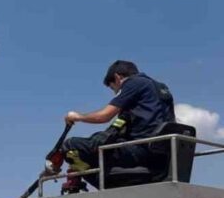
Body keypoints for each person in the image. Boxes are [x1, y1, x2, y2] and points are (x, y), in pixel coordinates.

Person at [61, 60, 175, 190]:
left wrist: (78, 117)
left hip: (140, 151)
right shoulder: (160, 88)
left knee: (70, 146)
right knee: (97, 142)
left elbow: (104, 116)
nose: (115, 93)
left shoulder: (133, 83)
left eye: (113, 88)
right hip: (162, 154)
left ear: (117, 77)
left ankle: (107, 186)